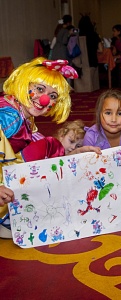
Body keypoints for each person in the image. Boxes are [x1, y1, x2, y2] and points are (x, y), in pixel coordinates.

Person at [0, 57, 99, 238]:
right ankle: (7, 216)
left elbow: (47, 154)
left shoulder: (23, 113)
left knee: (47, 148)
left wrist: (75, 153)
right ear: (23, 83)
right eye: (39, 89)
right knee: (48, 145)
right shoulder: (10, 116)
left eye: (53, 96)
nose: (45, 99)